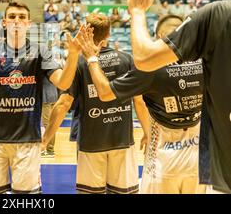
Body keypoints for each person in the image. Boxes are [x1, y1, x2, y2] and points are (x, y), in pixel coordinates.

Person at [0, 1, 83, 194]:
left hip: (27, 142)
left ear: (28, 23)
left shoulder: (40, 51)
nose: (17, 21)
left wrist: (72, 56)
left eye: (22, 17)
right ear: (4, 22)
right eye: (12, 17)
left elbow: (62, 83)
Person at [125, 0, 231, 194]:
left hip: (191, 155)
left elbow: (143, 59)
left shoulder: (217, 14)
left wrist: (136, 11)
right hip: (198, 152)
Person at [78, 14, 205, 194]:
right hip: (198, 157)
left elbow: (105, 92)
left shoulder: (151, 68)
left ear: (160, 37)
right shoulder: (205, 64)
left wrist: (91, 58)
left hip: (164, 157)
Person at [43, 13, 148, 194]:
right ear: (108, 34)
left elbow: (63, 104)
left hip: (91, 144)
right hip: (122, 141)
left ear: (87, 32)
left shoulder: (79, 64)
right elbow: (139, 100)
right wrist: (147, 132)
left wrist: (45, 140)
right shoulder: (127, 59)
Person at [40, 78, 59, 158]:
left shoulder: (44, 67)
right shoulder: (54, 67)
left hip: (46, 98)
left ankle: (49, 150)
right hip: (53, 95)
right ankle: (50, 149)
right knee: (51, 124)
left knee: (47, 124)